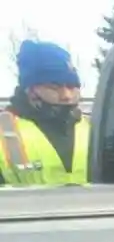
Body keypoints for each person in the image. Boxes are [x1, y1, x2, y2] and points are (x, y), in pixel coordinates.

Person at [1, 40, 90, 186]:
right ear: (30, 90)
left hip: (98, 209)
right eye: (54, 87)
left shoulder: (94, 127)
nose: (66, 95)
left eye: (72, 86)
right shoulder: (5, 131)